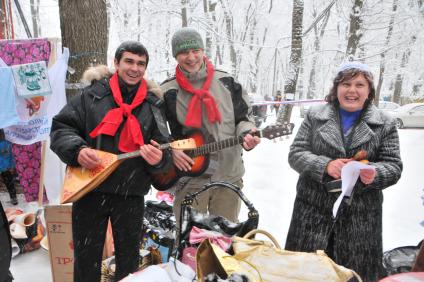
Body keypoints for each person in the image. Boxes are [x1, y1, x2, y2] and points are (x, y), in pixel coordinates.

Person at [50, 41, 172, 282]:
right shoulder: (91, 95)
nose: (134, 68)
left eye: (141, 64)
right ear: (116, 63)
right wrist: (78, 150)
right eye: (129, 61)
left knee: (129, 262)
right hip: (90, 189)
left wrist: (159, 159)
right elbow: (61, 128)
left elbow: (164, 146)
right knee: (86, 260)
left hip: (131, 193)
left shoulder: (153, 104)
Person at [284, 61, 402, 281]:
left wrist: (374, 173)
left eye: (359, 84)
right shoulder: (315, 116)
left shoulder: (384, 123)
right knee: (305, 274)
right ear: (336, 88)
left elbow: (394, 165)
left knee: (353, 275)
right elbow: (296, 153)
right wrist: (325, 165)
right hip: (311, 214)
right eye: (346, 83)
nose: (352, 90)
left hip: (360, 221)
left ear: (369, 91)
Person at [160, 27, 260, 226]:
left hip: (228, 175)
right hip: (190, 178)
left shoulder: (227, 82)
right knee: (188, 243)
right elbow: (156, 133)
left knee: (223, 242)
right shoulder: (166, 91)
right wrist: (170, 151)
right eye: (183, 52)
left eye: (195, 51)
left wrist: (248, 134)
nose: (191, 57)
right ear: (175, 56)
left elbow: (243, 118)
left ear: (203, 51)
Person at [0, 130, 17, 206]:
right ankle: (13, 198)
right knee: (9, 183)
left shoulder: (7, 143)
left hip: (5, 167)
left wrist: (12, 166)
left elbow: (11, 155)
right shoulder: (7, 143)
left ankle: (14, 198)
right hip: (5, 167)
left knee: (9, 183)